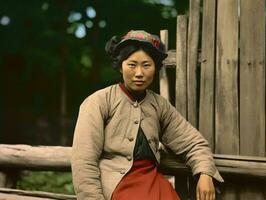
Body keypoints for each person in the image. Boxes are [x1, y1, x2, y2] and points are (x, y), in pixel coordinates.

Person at [71, 30, 223, 200]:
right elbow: (83, 161)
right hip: (116, 185)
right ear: (120, 66)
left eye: (146, 65)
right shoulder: (99, 101)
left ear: (155, 68)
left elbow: (193, 143)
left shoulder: (159, 106)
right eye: (132, 64)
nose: (139, 73)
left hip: (153, 183)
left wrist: (204, 172)